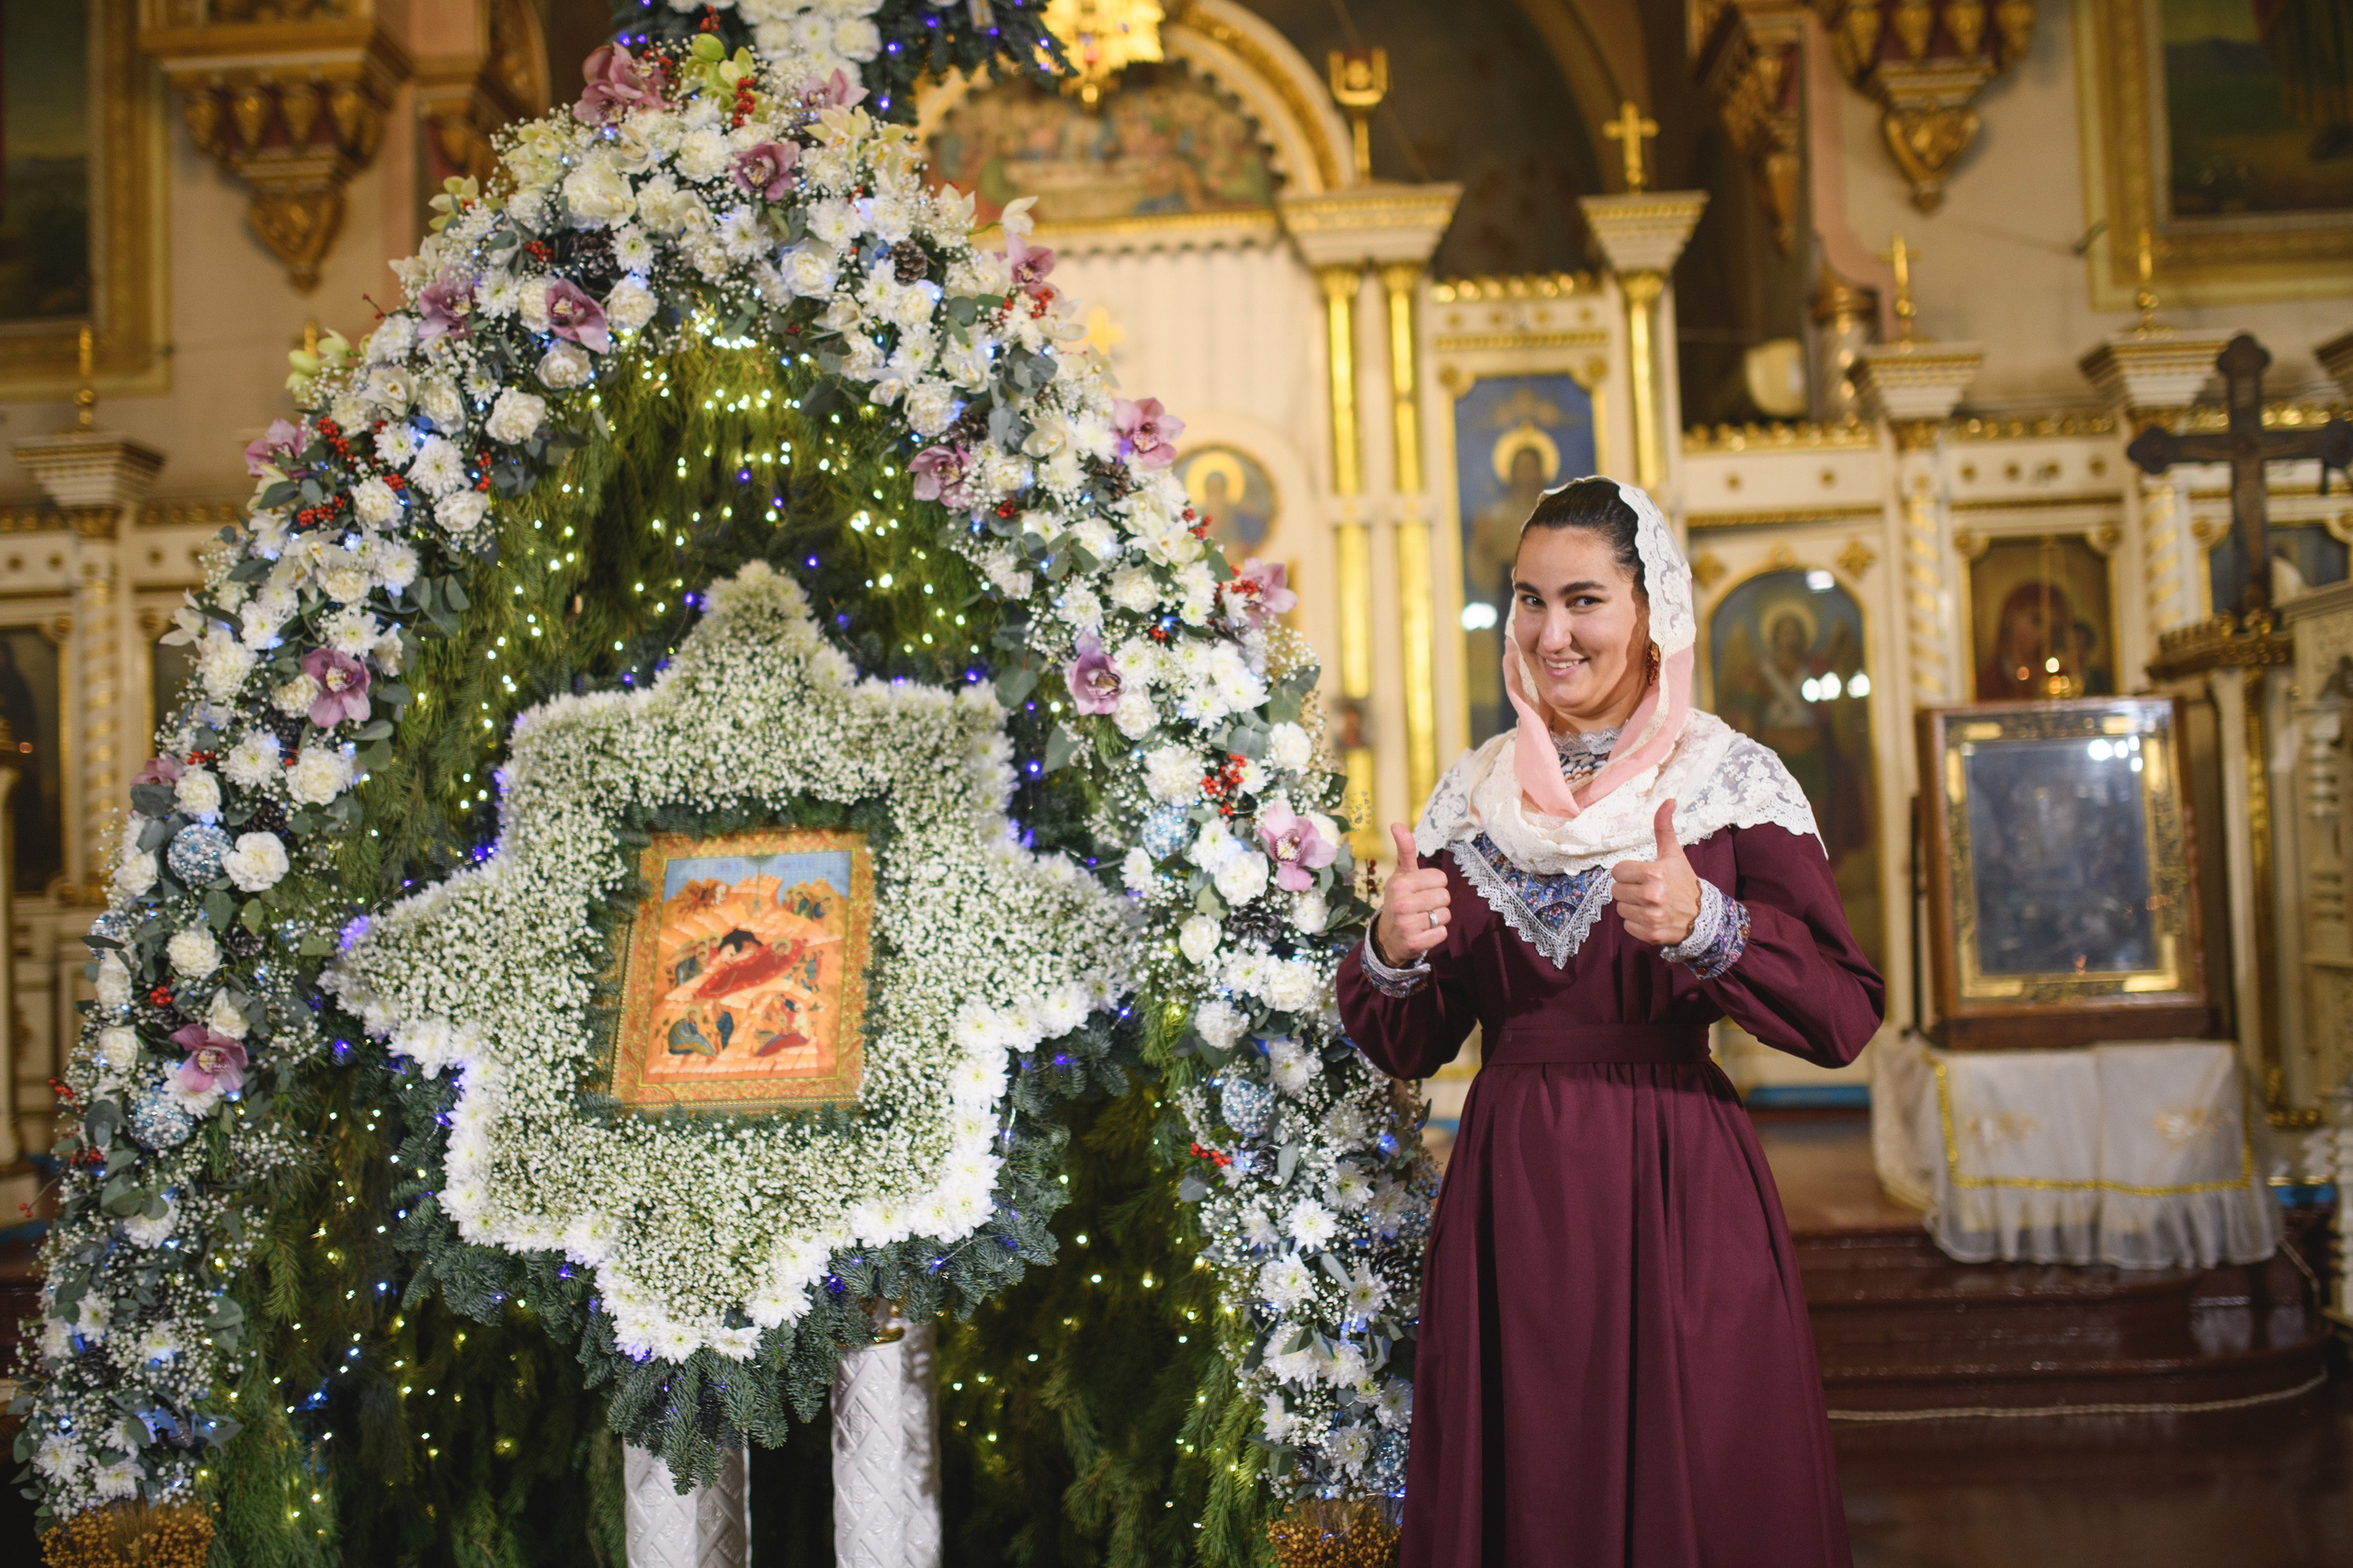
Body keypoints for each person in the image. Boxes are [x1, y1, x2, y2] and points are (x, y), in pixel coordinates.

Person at [1338, 476, 1883, 1567]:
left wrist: (1709, 924)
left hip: (1677, 1183)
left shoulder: (1729, 780)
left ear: (1652, 614)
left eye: (1583, 599)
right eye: (1528, 601)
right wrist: (1392, 951)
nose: (1552, 633)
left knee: (1698, 1482)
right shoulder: (1473, 794)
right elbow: (1409, 1041)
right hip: (1513, 1197)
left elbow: (1842, 1014)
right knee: (1529, 1487)